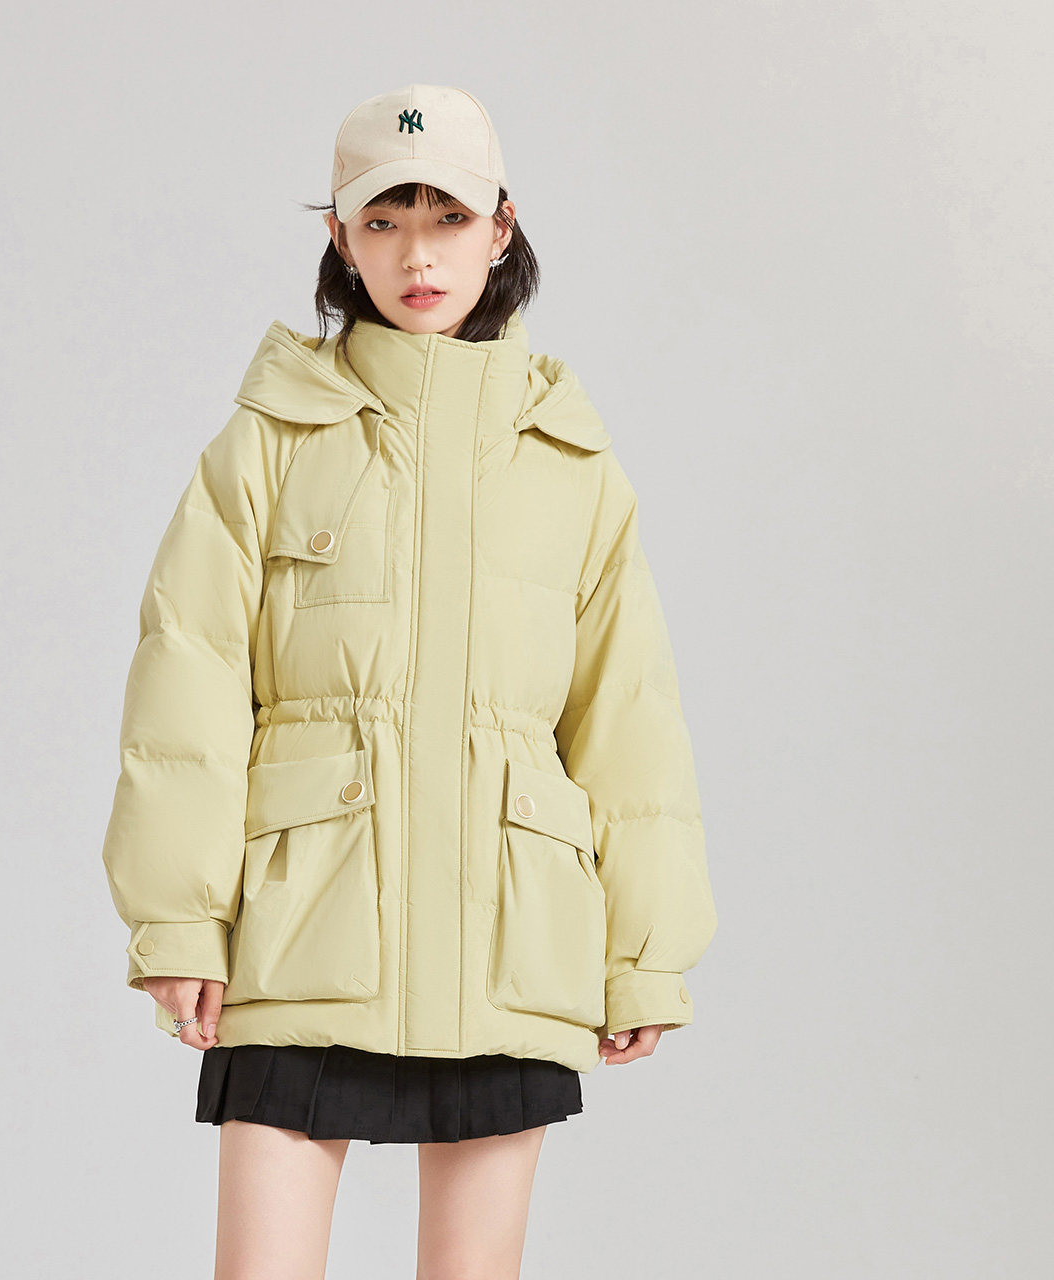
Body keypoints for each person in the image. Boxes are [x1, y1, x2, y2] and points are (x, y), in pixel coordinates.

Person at [100, 83, 718, 1278]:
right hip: (301, 923)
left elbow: (625, 710)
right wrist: (178, 914)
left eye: (446, 219)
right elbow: (187, 675)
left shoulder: (571, 461)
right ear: (339, 237)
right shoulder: (270, 437)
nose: (416, 257)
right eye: (383, 222)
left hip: (506, 935)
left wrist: (645, 947)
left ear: (500, 228)